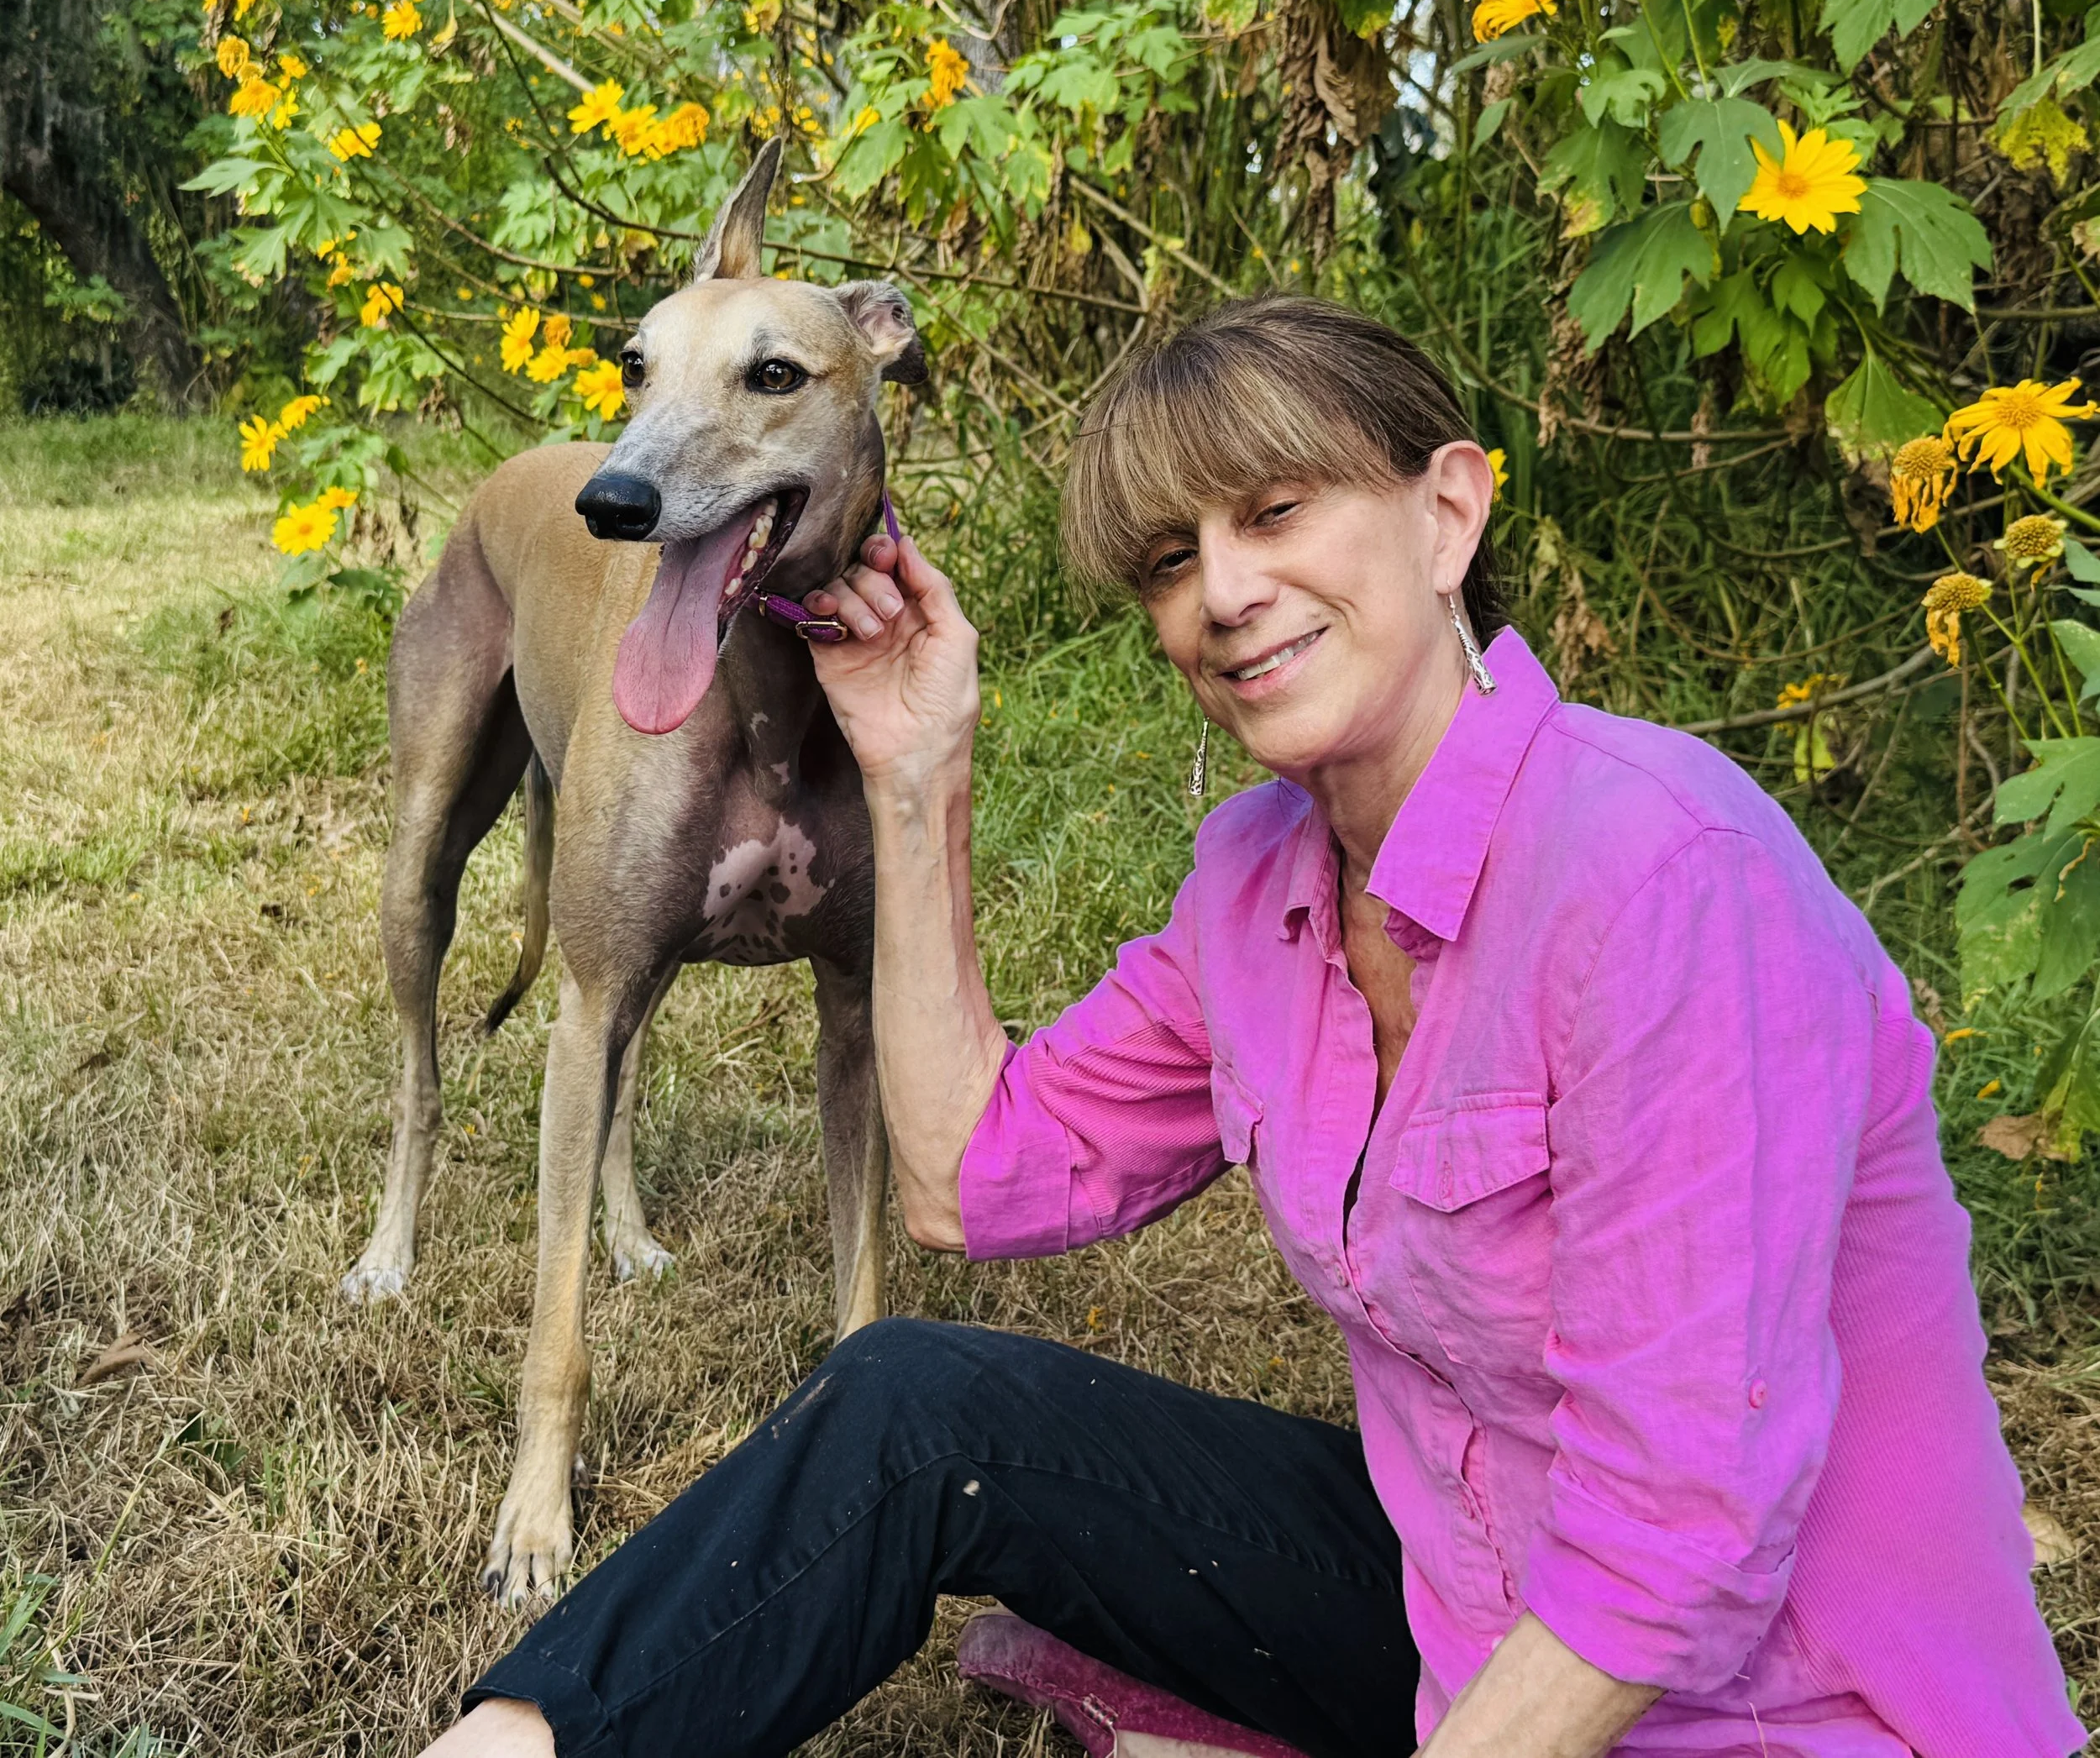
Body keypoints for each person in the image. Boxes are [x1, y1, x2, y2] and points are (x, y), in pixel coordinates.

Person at [422, 296, 2084, 1758]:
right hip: (1464, 1607)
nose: (1222, 591)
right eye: (1167, 559)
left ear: (1445, 516)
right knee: (909, 1401)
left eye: (1275, 513)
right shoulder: (1259, 889)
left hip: (1771, 1698)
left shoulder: (1665, 873)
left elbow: (1683, 1536)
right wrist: (912, 769)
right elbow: (968, 1180)